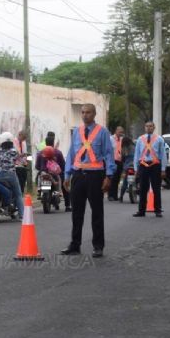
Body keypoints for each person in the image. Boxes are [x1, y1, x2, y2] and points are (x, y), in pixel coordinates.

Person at [60, 104, 115, 258]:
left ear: (94, 114)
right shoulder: (77, 132)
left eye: (88, 112)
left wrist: (109, 176)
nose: (85, 115)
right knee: (76, 213)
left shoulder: (102, 132)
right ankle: (74, 245)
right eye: (83, 112)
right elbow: (72, 154)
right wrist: (67, 175)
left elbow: (109, 154)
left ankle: (98, 246)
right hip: (78, 175)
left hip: (95, 176)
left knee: (97, 212)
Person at [0, 132, 24, 219]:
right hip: (10, 175)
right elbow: (21, 160)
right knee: (18, 194)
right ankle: (22, 215)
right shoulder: (14, 151)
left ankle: (5, 199)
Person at [133, 121, 167, 217]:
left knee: (156, 188)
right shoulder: (140, 139)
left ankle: (158, 210)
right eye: (147, 126)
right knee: (143, 189)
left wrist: (163, 169)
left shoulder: (159, 139)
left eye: (151, 126)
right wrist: (136, 168)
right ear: (144, 127)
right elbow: (137, 154)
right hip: (143, 165)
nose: (149, 128)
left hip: (155, 165)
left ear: (154, 127)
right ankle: (141, 211)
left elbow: (163, 154)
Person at [35, 135, 71, 211]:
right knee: (64, 185)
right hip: (55, 174)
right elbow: (63, 165)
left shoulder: (40, 153)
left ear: (45, 143)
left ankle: (39, 191)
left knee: (38, 178)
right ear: (53, 143)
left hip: (43, 174)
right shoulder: (58, 152)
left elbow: (37, 166)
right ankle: (67, 205)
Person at [108, 126, 125, 201]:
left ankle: (115, 195)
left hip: (120, 161)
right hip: (112, 161)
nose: (121, 133)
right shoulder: (111, 139)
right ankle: (110, 195)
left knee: (117, 178)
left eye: (122, 132)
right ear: (116, 131)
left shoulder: (122, 139)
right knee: (112, 178)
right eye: (120, 132)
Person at [118, 136, 135, 202]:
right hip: (135, 166)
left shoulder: (124, 149)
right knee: (140, 179)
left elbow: (123, 159)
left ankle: (121, 196)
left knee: (125, 181)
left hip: (127, 167)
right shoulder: (134, 146)